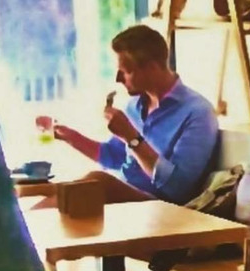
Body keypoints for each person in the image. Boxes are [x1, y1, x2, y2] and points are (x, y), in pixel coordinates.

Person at [41, 24, 219, 205]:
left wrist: (132, 137)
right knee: (47, 188)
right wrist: (69, 136)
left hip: (161, 207)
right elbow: (114, 156)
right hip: (126, 198)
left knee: (96, 183)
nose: (117, 79)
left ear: (152, 68)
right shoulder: (134, 106)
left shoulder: (198, 113)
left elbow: (179, 188)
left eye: (125, 71)